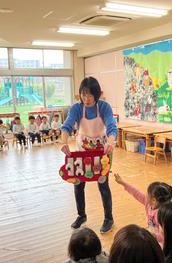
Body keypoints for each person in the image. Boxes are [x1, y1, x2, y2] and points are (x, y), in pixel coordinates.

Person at [61, 77, 117, 233]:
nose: (86, 99)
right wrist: (64, 142)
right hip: (82, 151)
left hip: (102, 152)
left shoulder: (104, 107)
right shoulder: (77, 108)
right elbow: (66, 126)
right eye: (83, 95)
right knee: (78, 184)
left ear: (97, 95)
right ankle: (81, 215)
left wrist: (110, 143)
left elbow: (112, 127)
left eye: (90, 95)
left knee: (103, 185)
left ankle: (108, 218)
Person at [114, 173, 172, 245]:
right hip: (152, 236)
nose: (145, 195)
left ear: (154, 200)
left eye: (147, 193)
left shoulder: (162, 215)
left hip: (160, 243)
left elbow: (165, 236)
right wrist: (123, 183)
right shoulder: (148, 203)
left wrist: (154, 236)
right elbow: (136, 193)